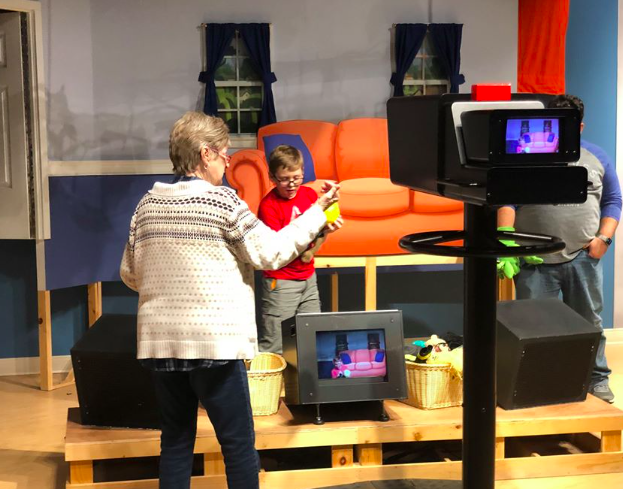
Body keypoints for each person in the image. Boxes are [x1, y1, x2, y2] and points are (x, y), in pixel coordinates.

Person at [119, 111, 339, 489]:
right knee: (238, 446)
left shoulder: (146, 205)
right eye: (224, 154)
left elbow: (130, 274)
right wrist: (317, 213)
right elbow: (270, 252)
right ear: (205, 154)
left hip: (161, 344)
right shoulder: (223, 202)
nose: (227, 162)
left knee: (175, 442)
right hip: (213, 344)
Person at [498, 94, 622, 404]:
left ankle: (597, 379)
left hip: (583, 257)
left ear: (580, 127)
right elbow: (506, 199)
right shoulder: (527, 155)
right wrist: (506, 240)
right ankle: (536, 385)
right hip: (534, 261)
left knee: (589, 322)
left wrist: (604, 239)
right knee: (532, 328)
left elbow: (613, 200)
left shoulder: (597, 156)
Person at [257, 145, 343, 354]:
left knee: (313, 338)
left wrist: (326, 229)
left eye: (296, 177)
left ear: (303, 172)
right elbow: (278, 249)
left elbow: (317, 234)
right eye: (284, 179)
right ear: (272, 177)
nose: (291, 184)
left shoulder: (308, 195)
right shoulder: (268, 206)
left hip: (308, 278)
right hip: (281, 282)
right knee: (276, 345)